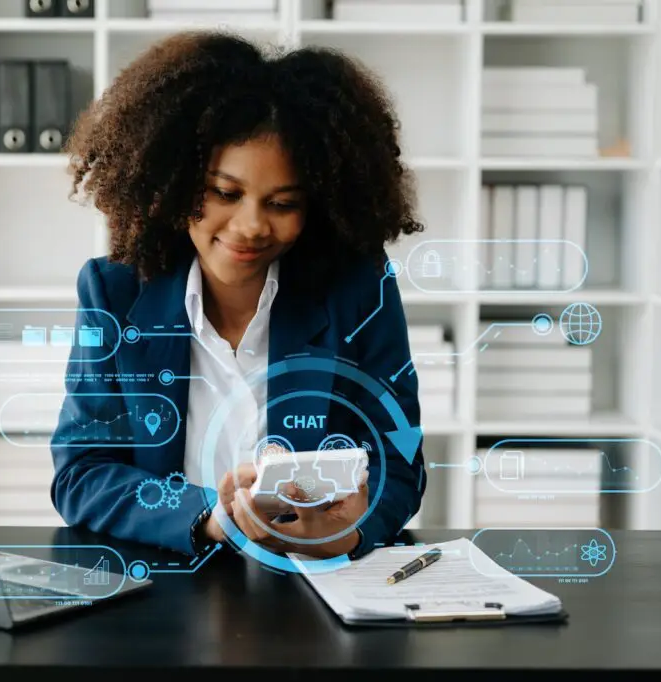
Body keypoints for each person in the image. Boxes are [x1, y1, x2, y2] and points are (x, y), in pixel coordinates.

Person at [50, 30, 426, 562]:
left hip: (313, 589)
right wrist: (210, 516)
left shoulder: (358, 291)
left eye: (283, 203)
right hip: (166, 589)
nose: (250, 226)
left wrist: (352, 533)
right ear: (173, 182)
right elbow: (82, 474)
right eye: (225, 193)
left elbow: (400, 459)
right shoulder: (113, 293)